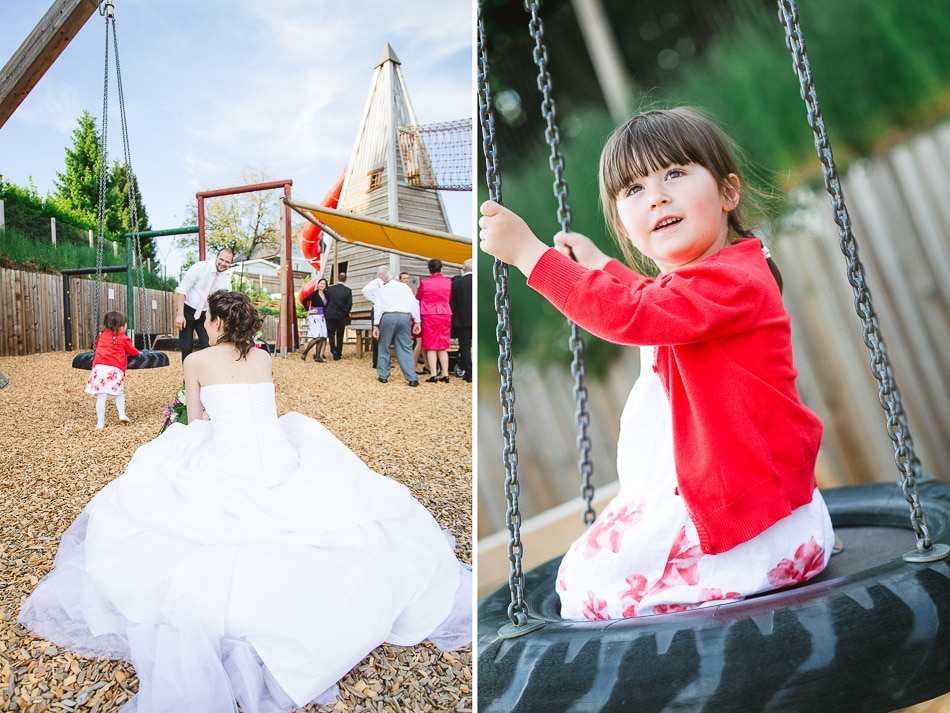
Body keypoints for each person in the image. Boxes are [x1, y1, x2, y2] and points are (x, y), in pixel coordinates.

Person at [18, 290, 470, 711]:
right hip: (276, 453)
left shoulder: (195, 360)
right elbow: (260, 413)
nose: (205, 324)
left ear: (215, 321)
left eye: (207, 318)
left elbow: (196, 421)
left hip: (227, 455)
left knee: (157, 483)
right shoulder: (262, 358)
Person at [478, 107, 834, 620]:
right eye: (633, 190)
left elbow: (634, 313)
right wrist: (603, 267)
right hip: (751, 504)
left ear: (728, 193)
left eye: (674, 173)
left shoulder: (733, 280)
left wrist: (531, 255)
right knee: (587, 569)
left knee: (581, 588)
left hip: (751, 527)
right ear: (624, 220)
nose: (657, 196)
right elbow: (655, 299)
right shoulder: (714, 281)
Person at [174, 247, 233, 361]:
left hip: (206, 315)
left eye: (227, 262)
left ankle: (205, 376)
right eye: (221, 259)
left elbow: (224, 305)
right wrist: (180, 315)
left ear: (230, 263)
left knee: (208, 347)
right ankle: (188, 378)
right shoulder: (200, 267)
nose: (223, 263)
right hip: (188, 310)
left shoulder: (226, 282)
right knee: (186, 347)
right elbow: (183, 290)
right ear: (216, 257)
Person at [84, 310, 139, 429]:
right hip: (114, 369)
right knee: (119, 393)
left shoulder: (101, 336)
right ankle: (122, 414)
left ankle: (100, 423)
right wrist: (138, 352)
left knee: (101, 397)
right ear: (121, 326)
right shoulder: (123, 338)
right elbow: (132, 351)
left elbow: (98, 347)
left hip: (99, 368)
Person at [372, 276, 421, 386]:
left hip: (387, 316)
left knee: (384, 345)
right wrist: (417, 321)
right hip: (404, 316)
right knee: (406, 347)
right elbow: (414, 303)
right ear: (398, 279)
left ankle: (383, 375)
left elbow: (378, 307)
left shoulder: (383, 289)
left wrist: (376, 324)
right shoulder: (406, 288)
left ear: (387, 280)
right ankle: (412, 378)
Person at [415, 258, 453, 383]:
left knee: (431, 346)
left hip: (430, 314)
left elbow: (418, 297)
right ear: (441, 268)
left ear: (429, 269)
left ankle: (433, 373)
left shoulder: (425, 282)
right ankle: (445, 373)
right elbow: (449, 296)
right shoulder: (448, 282)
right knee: (443, 346)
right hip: (445, 313)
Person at [361, 266, 390, 368]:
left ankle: (384, 360)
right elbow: (364, 291)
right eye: (386, 274)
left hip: (386, 310)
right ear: (380, 275)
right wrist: (375, 300)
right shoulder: (375, 283)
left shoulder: (388, 284)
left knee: (385, 335)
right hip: (377, 310)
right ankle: (376, 361)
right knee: (376, 335)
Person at [450, 259, 473, 383]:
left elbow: (453, 304)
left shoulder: (456, 284)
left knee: (464, 347)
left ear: (464, 269)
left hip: (462, 321)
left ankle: (469, 373)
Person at [324, 272, 353, 360]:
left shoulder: (330, 289)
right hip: (341, 315)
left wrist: (326, 311)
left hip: (330, 314)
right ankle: (338, 353)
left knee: (331, 333)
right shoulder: (347, 290)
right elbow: (349, 304)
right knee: (340, 334)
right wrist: (346, 313)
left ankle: (333, 349)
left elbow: (326, 301)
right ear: (346, 280)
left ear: (337, 279)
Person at [300, 278, 329, 362]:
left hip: (322, 317)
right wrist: (309, 310)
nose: (322, 285)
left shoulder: (326, 294)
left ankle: (317, 356)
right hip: (315, 317)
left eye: (324, 284)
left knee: (322, 336)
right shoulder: (315, 294)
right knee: (318, 336)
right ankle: (305, 353)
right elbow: (304, 300)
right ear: (318, 284)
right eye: (321, 283)